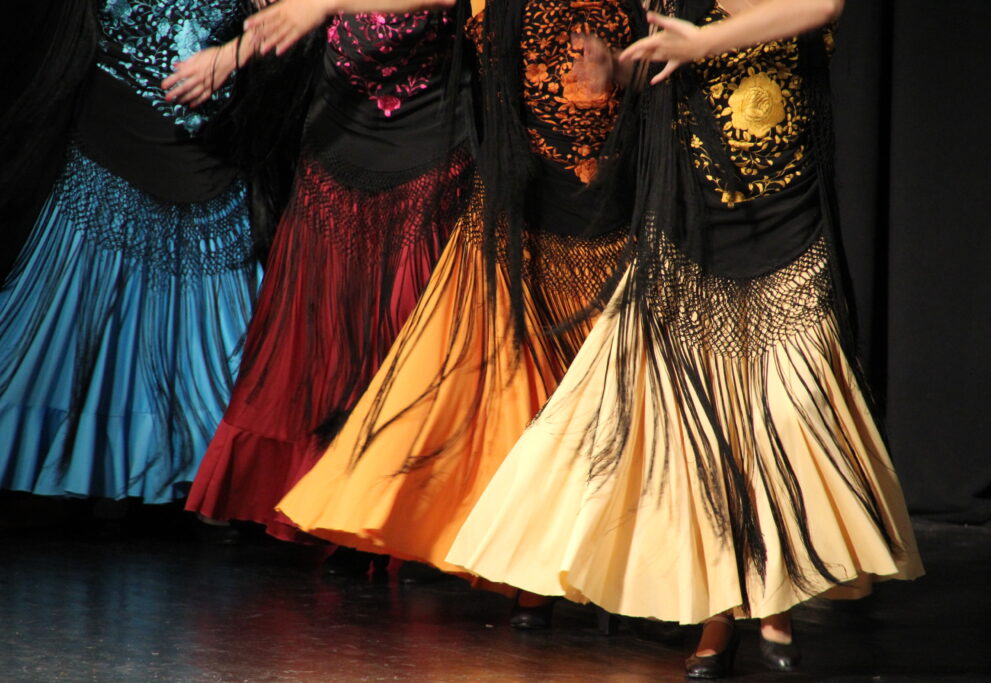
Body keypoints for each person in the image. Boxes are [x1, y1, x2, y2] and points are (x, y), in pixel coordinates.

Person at [445, 0, 923, 677]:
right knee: (695, 426)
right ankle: (719, 612)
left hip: (784, 210)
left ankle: (776, 592)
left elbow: (822, 6)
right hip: (691, 213)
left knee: (787, 411)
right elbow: (670, 60)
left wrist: (709, 41)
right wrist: (621, 70)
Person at [272, 0, 643, 622]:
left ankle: (610, 568)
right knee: (507, 397)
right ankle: (528, 568)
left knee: (605, 398)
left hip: (619, 208)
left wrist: (624, 69)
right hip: (514, 208)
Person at [164, 0, 474, 544]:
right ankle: (311, 502)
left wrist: (327, 3)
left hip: (430, 141)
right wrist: (232, 55)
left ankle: (392, 514)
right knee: (323, 332)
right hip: (338, 138)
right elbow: (294, 14)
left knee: (408, 331)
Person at [0, 1, 262, 506]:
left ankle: (217, 477)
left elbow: (303, 18)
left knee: (214, 338)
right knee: (87, 320)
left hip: (207, 146)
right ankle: (90, 466)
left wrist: (238, 51)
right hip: (112, 127)